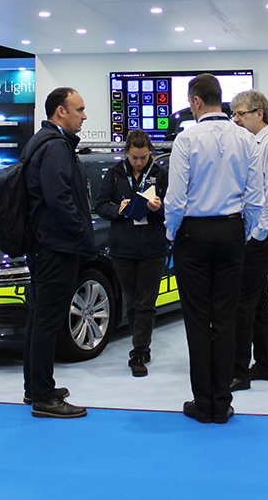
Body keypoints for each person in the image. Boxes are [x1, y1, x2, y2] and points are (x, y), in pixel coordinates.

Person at [165, 74, 263, 424]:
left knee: (196, 320)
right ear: (219, 99)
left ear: (195, 101)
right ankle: (222, 402)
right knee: (225, 319)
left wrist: (172, 233)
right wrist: (242, 232)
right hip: (232, 231)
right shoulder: (245, 139)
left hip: (193, 233)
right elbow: (255, 198)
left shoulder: (186, 139)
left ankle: (202, 402)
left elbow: (175, 198)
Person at [23, 87, 95, 418]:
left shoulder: (44, 142)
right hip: (55, 247)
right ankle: (43, 397)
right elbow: (59, 197)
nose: (83, 116)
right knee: (47, 320)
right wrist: (80, 231)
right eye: (78, 109)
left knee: (40, 317)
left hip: (45, 246)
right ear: (60, 112)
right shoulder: (54, 148)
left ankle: (36, 387)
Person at [230, 90, 268, 391]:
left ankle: (238, 371)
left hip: (264, 233)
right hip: (253, 231)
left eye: (241, 113)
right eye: (235, 114)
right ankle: (267, 365)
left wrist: (257, 236)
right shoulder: (249, 145)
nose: (236, 119)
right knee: (257, 300)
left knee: (242, 299)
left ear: (260, 114)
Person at [95, 130, 168, 377]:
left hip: (153, 247)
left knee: (146, 302)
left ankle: (139, 351)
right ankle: (141, 345)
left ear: (150, 153)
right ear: (127, 153)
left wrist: (159, 207)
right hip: (123, 248)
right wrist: (119, 209)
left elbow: (175, 207)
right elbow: (101, 205)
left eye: (143, 157)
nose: (139, 162)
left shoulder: (161, 175)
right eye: (135, 158)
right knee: (133, 301)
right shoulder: (115, 175)